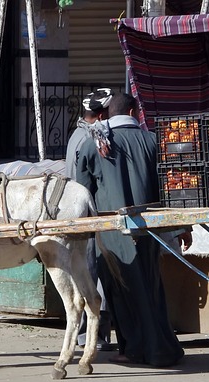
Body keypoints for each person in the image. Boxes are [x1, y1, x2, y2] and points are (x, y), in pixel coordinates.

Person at [75, 92, 191, 367]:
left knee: (120, 292)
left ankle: (135, 349)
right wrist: (182, 228)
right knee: (150, 288)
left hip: (109, 235)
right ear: (133, 112)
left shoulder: (94, 145)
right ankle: (162, 347)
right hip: (148, 231)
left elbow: (80, 194)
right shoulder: (153, 141)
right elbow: (173, 191)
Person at [64, 88, 114, 350]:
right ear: (103, 113)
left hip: (75, 212)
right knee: (91, 273)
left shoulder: (77, 135)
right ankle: (91, 334)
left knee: (83, 271)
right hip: (87, 214)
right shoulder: (94, 138)